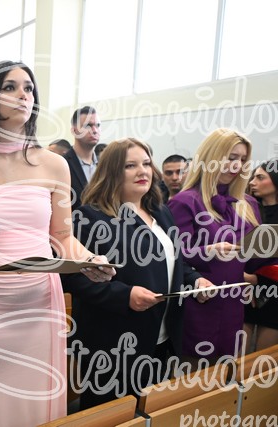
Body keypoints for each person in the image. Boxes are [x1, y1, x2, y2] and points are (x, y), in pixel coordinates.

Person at [0, 61, 114, 427]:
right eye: (10, 87)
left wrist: (90, 259)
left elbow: (63, 237)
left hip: (38, 303)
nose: (22, 95)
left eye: (28, 88)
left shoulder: (54, 165)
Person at [65, 138, 209, 409]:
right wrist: (125, 295)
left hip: (163, 335)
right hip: (114, 340)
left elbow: (174, 261)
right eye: (130, 165)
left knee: (153, 411)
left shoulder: (161, 212)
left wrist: (194, 279)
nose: (142, 171)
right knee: (112, 414)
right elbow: (74, 277)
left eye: (146, 163)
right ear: (111, 171)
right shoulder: (90, 217)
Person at [168, 128, 273, 362]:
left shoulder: (247, 204)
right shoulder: (185, 202)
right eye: (231, 157)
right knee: (196, 374)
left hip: (233, 306)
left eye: (242, 160)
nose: (236, 165)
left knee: (228, 374)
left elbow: (254, 260)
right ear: (211, 157)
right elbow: (173, 257)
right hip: (198, 304)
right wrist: (208, 251)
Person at [244, 159, 278, 352]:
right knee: (237, 357)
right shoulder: (246, 210)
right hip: (243, 288)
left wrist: (259, 278)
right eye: (253, 177)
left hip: (274, 290)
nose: (252, 182)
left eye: (260, 177)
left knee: (264, 359)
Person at [63, 106, 101, 211]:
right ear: (74, 130)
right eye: (88, 125)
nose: (94, 130)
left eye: (98, 125)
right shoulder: (63, 164)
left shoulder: (105, 165)